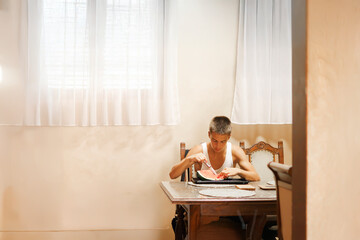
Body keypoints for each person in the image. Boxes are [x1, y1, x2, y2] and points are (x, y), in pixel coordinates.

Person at [169, 116, 260, 181]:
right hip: (202, 198)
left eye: (222, 141)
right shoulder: (199, 150)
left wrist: (238, 171)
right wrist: (189, 159)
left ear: (229, 137)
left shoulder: (235, 151)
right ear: (209, 134)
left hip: (228, 198)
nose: (218, 146)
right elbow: (172, 175)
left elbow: (256, 177)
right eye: (214, 140)